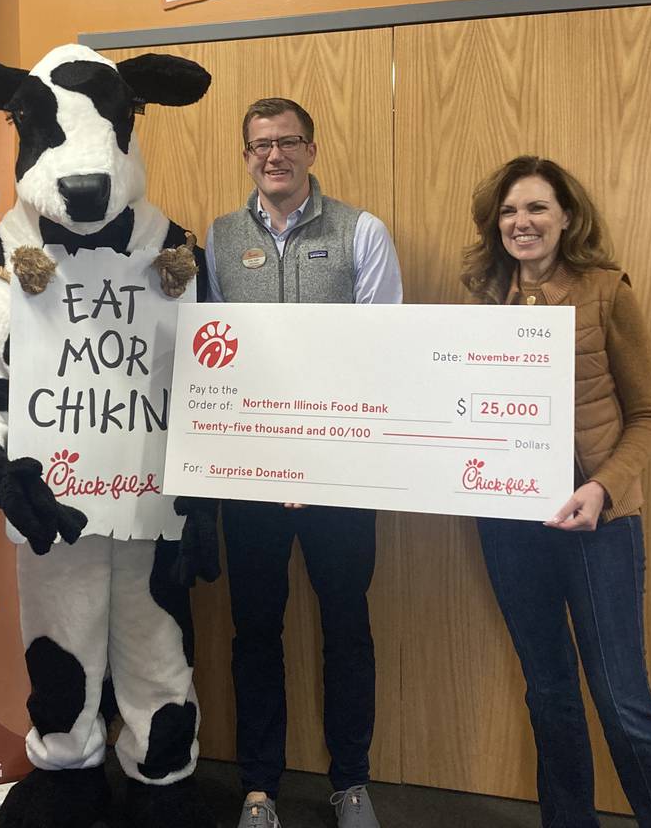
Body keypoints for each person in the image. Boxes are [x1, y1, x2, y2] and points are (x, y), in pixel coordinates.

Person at [457, 155, 651, 828]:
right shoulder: (482, 298)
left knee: (623, 700)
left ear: (567, 217)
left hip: (597, 516)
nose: (522, 222)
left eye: (536, 208)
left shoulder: (606, 290)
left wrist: (601, 489)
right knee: (549, 695)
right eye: (509, 211)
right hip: (509, 519)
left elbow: (648, 416)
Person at [205, 97, 401, 828]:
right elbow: (219, 361)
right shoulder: (222, 240)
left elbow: (384, 353)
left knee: (347, 624)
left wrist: (316, 460)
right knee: (254, 630)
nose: (274, 156)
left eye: (288, 142)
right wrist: (270, 460)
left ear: (312, 150)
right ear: (247, 155)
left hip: (342, 475)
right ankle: (260, 788)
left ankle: (351, 782)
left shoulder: (363, 232)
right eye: (260, 145)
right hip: (252, 479)